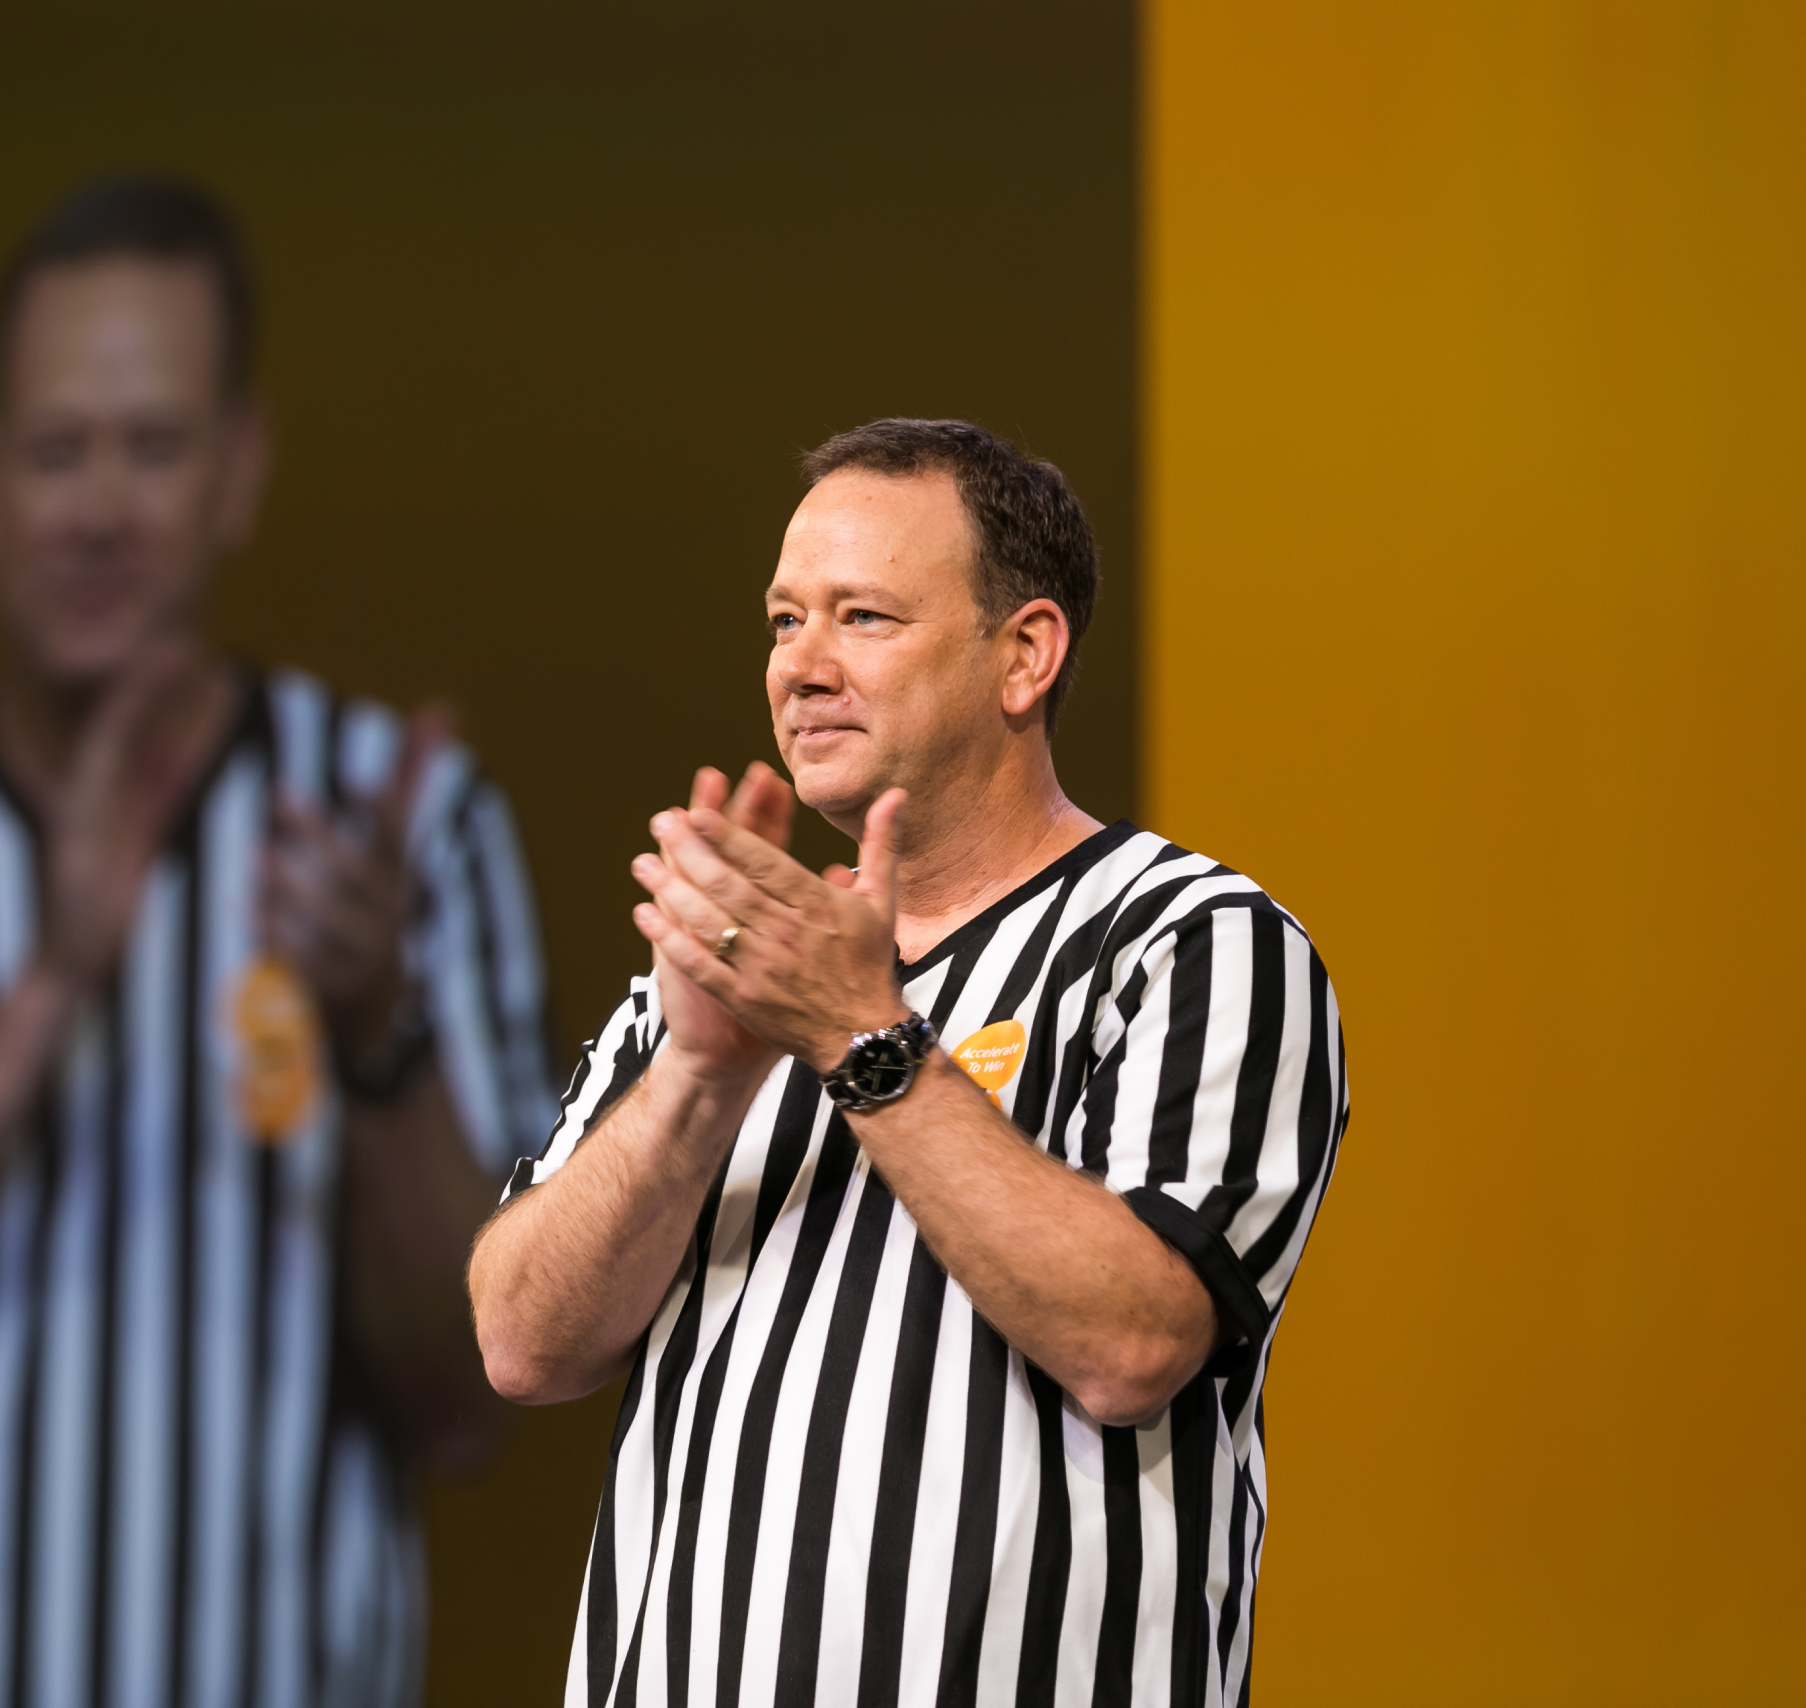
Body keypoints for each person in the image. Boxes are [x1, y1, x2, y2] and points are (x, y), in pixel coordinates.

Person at [471, 418, 1349, 1705]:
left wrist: (857, 1039)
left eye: (863, 618)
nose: (802, 668)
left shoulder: (1188, 943)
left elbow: (1133, 1340)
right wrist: (700, 1083)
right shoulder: (726, 977)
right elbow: (519, 1341)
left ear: (1026, 656)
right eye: (783, 622)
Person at [0, 175, 557, 1708]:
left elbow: (472, 1403)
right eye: (56, 450)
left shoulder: (404, 821)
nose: (104, 504)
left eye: (155, 447)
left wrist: (377, 1030)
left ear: (239, 472)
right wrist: (53, 980)